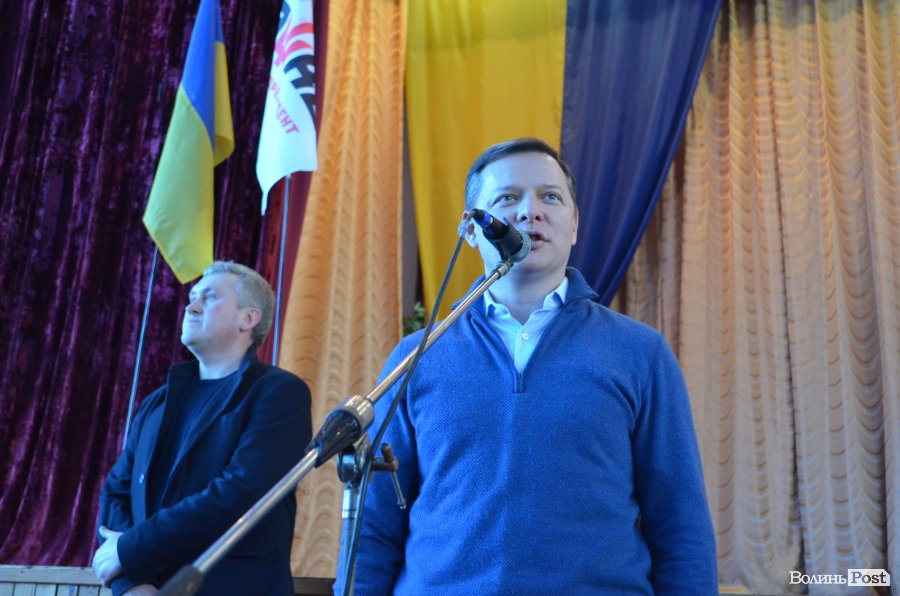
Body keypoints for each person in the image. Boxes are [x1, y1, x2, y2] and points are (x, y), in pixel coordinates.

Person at [336, 138, 717, 594]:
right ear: (470, 229)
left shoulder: (640, 353)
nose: (530, 212)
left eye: (550, 197)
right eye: (507, 198)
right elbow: (374, 527)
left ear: (574, 225)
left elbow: (680, 526)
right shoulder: (416, 357)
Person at [93, 261, 313, 596]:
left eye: (208, 298)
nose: (191, 306)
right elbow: (115, 493)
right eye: (192, 297)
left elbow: (240, 493)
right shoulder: (157, 402)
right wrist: (131, 583)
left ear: (248, 319)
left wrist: (131, 551)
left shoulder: (279, 393)